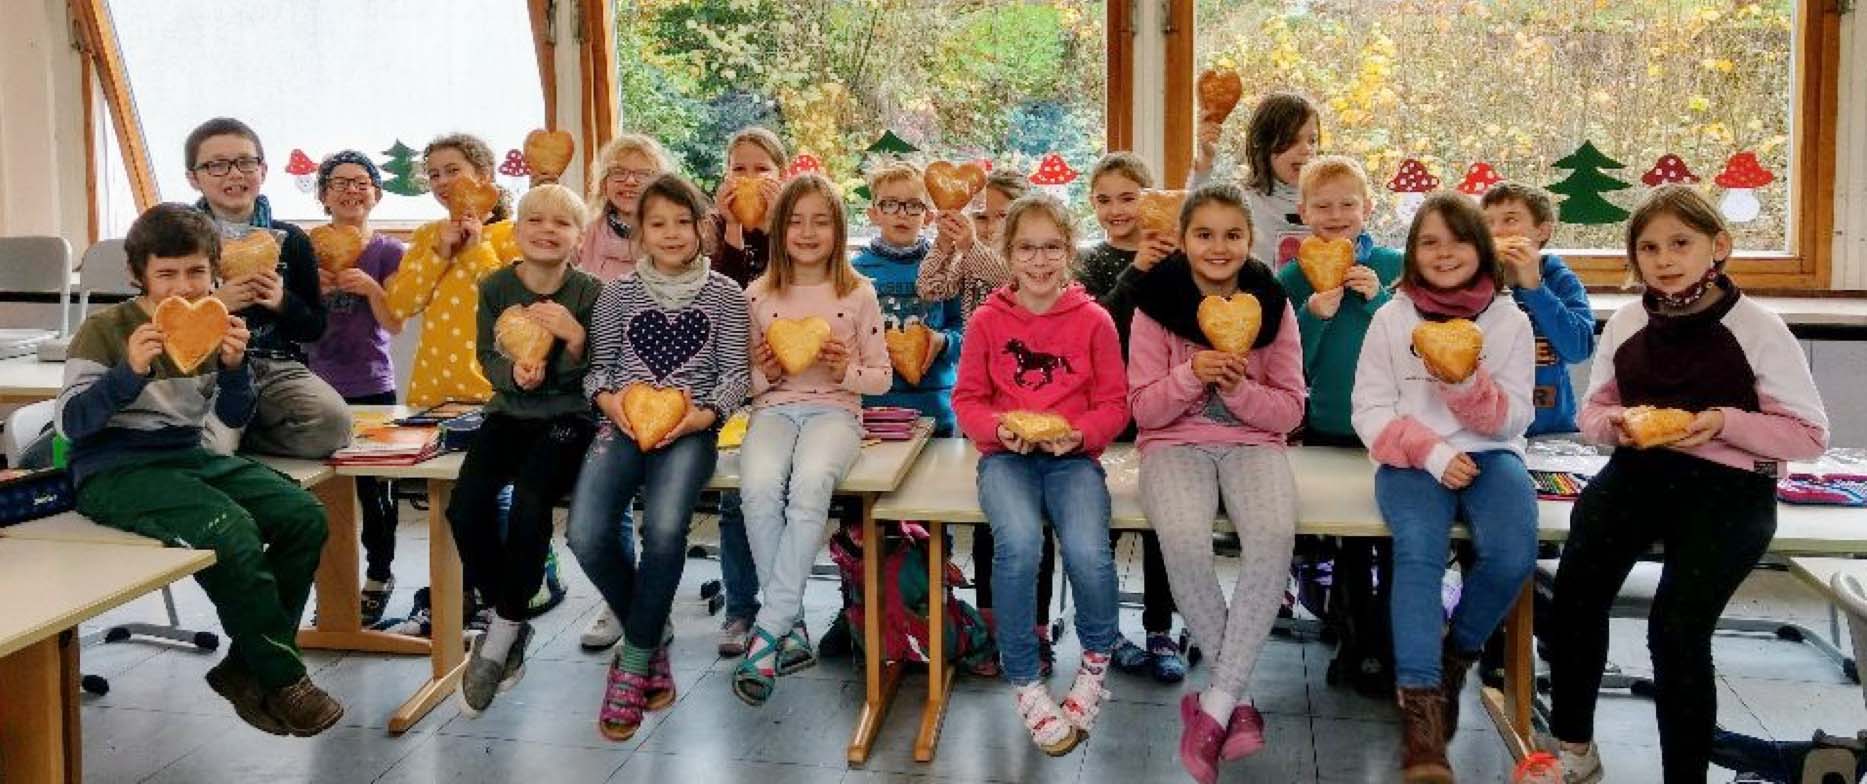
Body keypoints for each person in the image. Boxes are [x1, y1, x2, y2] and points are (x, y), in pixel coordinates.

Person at [1542, 185, 1828, 784]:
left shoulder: (1757, 328)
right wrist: (1616, 426)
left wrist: (1724, 423)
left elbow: (1808, 436)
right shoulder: (1627, 321)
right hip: (1637, 476)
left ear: (1717, 246)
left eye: (1680, 243)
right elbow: (1592, 412)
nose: (1664, 259)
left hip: (1730, 488)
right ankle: (1574, 749)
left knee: (1676, 632)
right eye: (1648, 248)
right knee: (1574, 601)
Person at [58, 202, 341, 736]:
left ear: (215, 271)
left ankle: (244, 665)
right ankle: (285, 678)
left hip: (188, 455)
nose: (183, 286)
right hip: (112, 469)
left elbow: (232, 416)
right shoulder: (105, 329)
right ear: (138, 274)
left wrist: (235, 370)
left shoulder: (215, 324)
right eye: (166, 274)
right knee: (230, 531)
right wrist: (128, 373)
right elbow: (74, 424)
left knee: (303, 514)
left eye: (196, 272)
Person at [1350, 192, 1538, 782]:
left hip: (1492, 454)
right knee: (1418, 554)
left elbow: (1516, 416)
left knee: (1512, 554)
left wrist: (1463, 385)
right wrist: (1432, 453)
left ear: (1481, 248)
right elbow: (1369, 410)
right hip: (1410, 456)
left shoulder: (1509, 319)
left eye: (1457, 240)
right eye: (1429, 241)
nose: (1443, 252)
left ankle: (1457, 654)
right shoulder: (1392, 317)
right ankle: (1422, 713)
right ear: (1412, 253)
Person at [1127, 184, 1305, 782]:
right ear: (1182, 240)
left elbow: (1290, 412)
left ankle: (1217, 703)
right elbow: (1144, 410)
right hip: (1172, 444)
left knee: (1273, 539)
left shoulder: (1273, 304)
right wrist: (1189, 376)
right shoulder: (1154, 303)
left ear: (1250, 240)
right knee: (1182, 539)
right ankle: (1239, 700)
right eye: (1204, 234)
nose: (1218, 247)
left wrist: (1238, 389)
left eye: (1233, 235)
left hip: (1255, 445)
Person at [567, 174, 751, 741]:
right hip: (621, 424)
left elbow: (736, 376)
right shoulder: (617, 294)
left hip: (691, 429)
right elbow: (597, 371)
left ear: (702, 228)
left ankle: (634, 661)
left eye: (682, 222)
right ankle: (649, 635)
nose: (671, 234)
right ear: (640, 233)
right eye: (657, 224)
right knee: (585, 533)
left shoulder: (726, 294)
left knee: (666, 531)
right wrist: (612, 404)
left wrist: (701, 416)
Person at [952, 192, 1128, 756]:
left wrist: (1081, 434)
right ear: (1008, 254)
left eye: (1051, 247)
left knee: (1087, 550)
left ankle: (1095, 664)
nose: (1039, 260)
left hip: (1073, 459)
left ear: (1069, 250)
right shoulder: (987, 321)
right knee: (1020, 545)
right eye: (1026, 248)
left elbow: (1114, 403)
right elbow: (968, 399)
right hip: (1006, 458)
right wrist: (997, 429)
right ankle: (1024, 678)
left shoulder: (1095, 320)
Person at [733, 173, 891, 705]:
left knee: (810, 485)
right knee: (757, 487)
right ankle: (790, 623)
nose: (807, 232)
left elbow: (881, 378)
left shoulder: (858, 293)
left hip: (836, 412)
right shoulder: (757, 294)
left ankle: (767, 632)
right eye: (796, 221)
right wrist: (766, 372)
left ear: (838, 231)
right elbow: (743, 384)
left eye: (820, 222)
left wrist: (846, 371)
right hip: (772, 411)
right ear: (778, 230)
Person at [447, 185, 604, 717]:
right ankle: (508, 616)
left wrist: (574, 340)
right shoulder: (495, 286)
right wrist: (512, 373)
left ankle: (502, 631)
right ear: (516, 231)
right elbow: (485, 354)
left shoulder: (590, 292)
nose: (546, 230)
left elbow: (599, 369)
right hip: (507, 413)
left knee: (532, 502)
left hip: (569, 417)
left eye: (561, 223)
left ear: (578, 239)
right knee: (464, 507)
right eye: (535, 219)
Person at [183, 117, 351, 459]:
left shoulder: (291, 239)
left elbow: (314, 328)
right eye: (217, 165)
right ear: (193, 178)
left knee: (333, 426)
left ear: (263, 170)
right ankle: (220, 436)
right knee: (185, 437)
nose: (234, 174)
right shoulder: (178, 238)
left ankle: (242, 437)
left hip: (274, 366)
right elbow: (154, 314)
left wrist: (282, 302)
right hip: (202, 366)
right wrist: (214, 303)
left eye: (245, 162)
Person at [304, 150, 407, 624]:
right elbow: (291, 320)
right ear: (323, 195)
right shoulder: (304, 249)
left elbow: (396, 322)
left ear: (376, 194)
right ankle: (330, 585)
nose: (351, 191)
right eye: (340, 183)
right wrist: (311, 292)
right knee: (318, 490)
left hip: (372, 383)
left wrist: (372, 288)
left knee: (376, 491)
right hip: (312, 385)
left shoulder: (389, 252)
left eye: (361, 182)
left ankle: (379, 574)